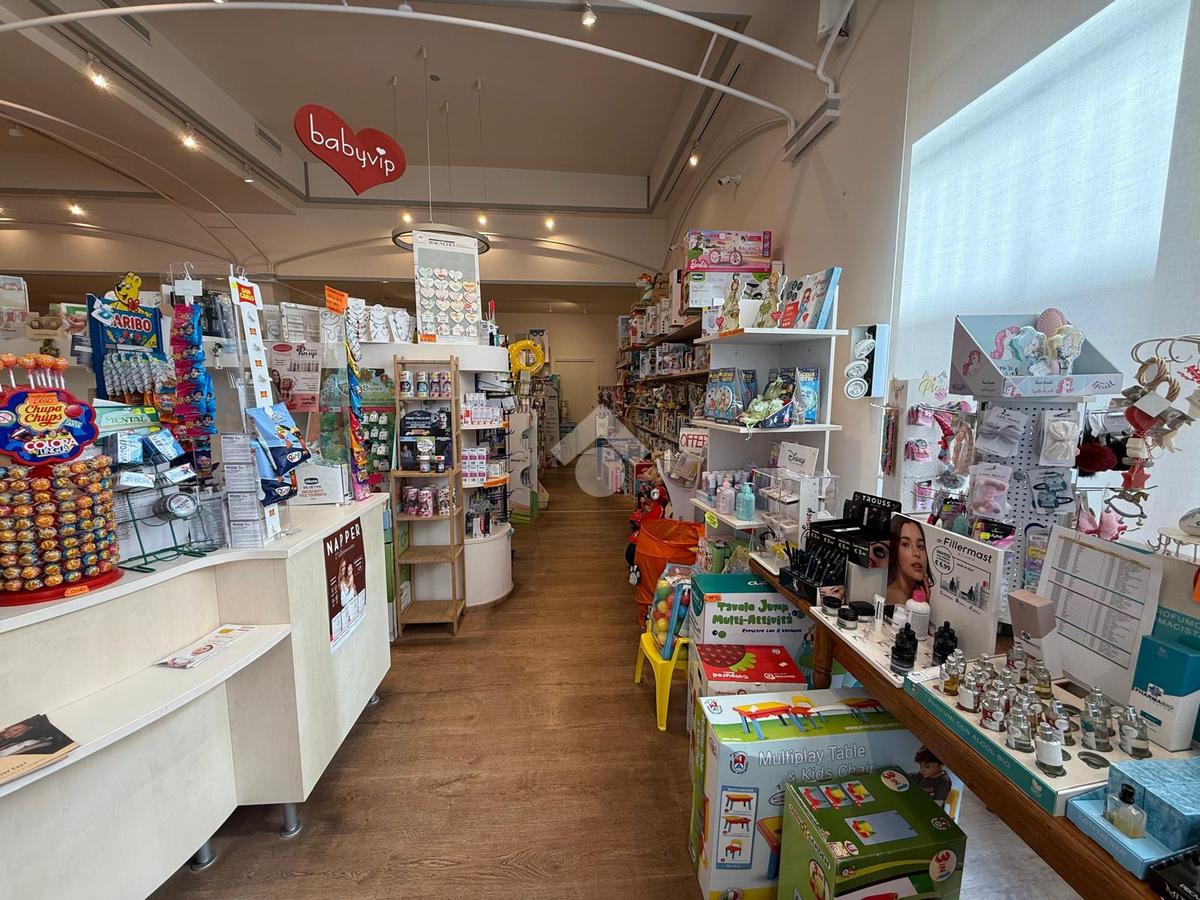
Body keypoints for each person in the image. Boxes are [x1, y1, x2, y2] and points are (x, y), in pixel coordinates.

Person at [886, 517, 932, 609]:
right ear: (893, 550)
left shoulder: (912, 595)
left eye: (920, 546)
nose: (917, 553)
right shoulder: (898, 599)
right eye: (906, 544)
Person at [0, 715, 73, 757]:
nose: (8, 733)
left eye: (15, 730)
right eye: (6, 731)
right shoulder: (6, 739)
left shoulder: (40, 734)